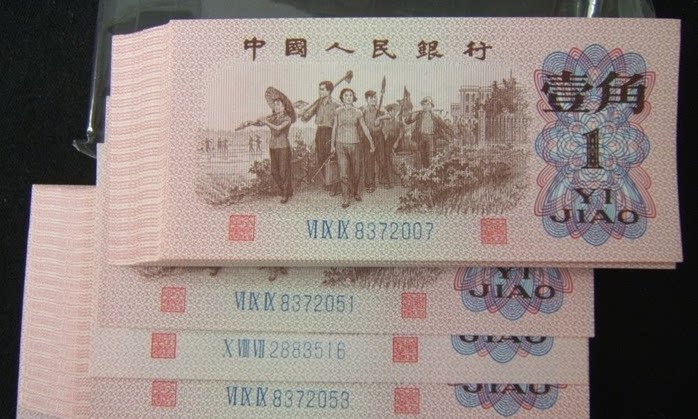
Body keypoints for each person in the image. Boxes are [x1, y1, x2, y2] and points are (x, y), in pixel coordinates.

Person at [331, 88, 375, 208]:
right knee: (343, 172)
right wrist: (332, 145)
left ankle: (355, 192)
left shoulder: (358, 112)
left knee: (356, 172)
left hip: (355, 144)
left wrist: (371, 143)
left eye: (350, 95)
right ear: (342, 97)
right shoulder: (338, 111)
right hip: (340, 145)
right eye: (346, 95)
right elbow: (334, 127)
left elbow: (365, 128)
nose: (348, 97)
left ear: (353, 97)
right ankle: (346, 198)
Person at [301, 81, 340, 196]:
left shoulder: (336, 105)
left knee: (331, 158)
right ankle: (328, 181)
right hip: (320, 133)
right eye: (320, 89)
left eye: (322, 89)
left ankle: (334, 185)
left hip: (331, 132)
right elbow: (305, 118)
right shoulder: (317, 104)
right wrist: (303, 112)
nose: (320, 91)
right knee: (321, 158)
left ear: (329, 91)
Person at [404, 96, 454, 168]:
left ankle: (431, 171)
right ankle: (423, 172)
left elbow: (445, 127)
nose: (426, 106)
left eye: (428, 104)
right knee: (422, 156)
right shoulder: (418, 115)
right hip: (420, 138)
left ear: (431, 106)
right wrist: (410, 114)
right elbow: (407, 121)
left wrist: (453, 135)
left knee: (431, 156)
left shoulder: (435, 116)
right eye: (424, 105)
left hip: (431, 138)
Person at [260, 98, 294, 203]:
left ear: (284, 107)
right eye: (275, 105)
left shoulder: (287, 118)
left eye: (279, 105)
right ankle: (287, 189)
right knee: (274, 172)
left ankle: (285, 194)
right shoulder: (272, 118)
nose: (276, 107)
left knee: (283, 172)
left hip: (283, 147)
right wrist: (258, 120)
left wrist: (266, 122)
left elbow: (278, 128)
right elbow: (261, 123)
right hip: (273, 147)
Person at [375, 103, 405, 188]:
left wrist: (396, 143)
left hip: (395, 142)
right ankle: (387, 181)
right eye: (389, 111)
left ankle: (396, 180)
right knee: (384, 160)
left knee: (393, 161)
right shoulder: (385, 121)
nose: (392, 113)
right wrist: (381, 117)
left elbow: (401, 133)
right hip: (386, 143)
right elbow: (376, 124)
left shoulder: (399, 121)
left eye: (393, 111)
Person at [361, 90, 385, 193]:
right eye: (371, 98)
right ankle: (370, 184)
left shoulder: (380, 109)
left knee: (381, 159)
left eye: (375, 97)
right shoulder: (363, 111)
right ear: (367, 99)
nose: (374, 100)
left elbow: (389, 116)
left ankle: (382, 179)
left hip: (379, 137)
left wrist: (380, 118)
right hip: (367, 137)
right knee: (368, 161)